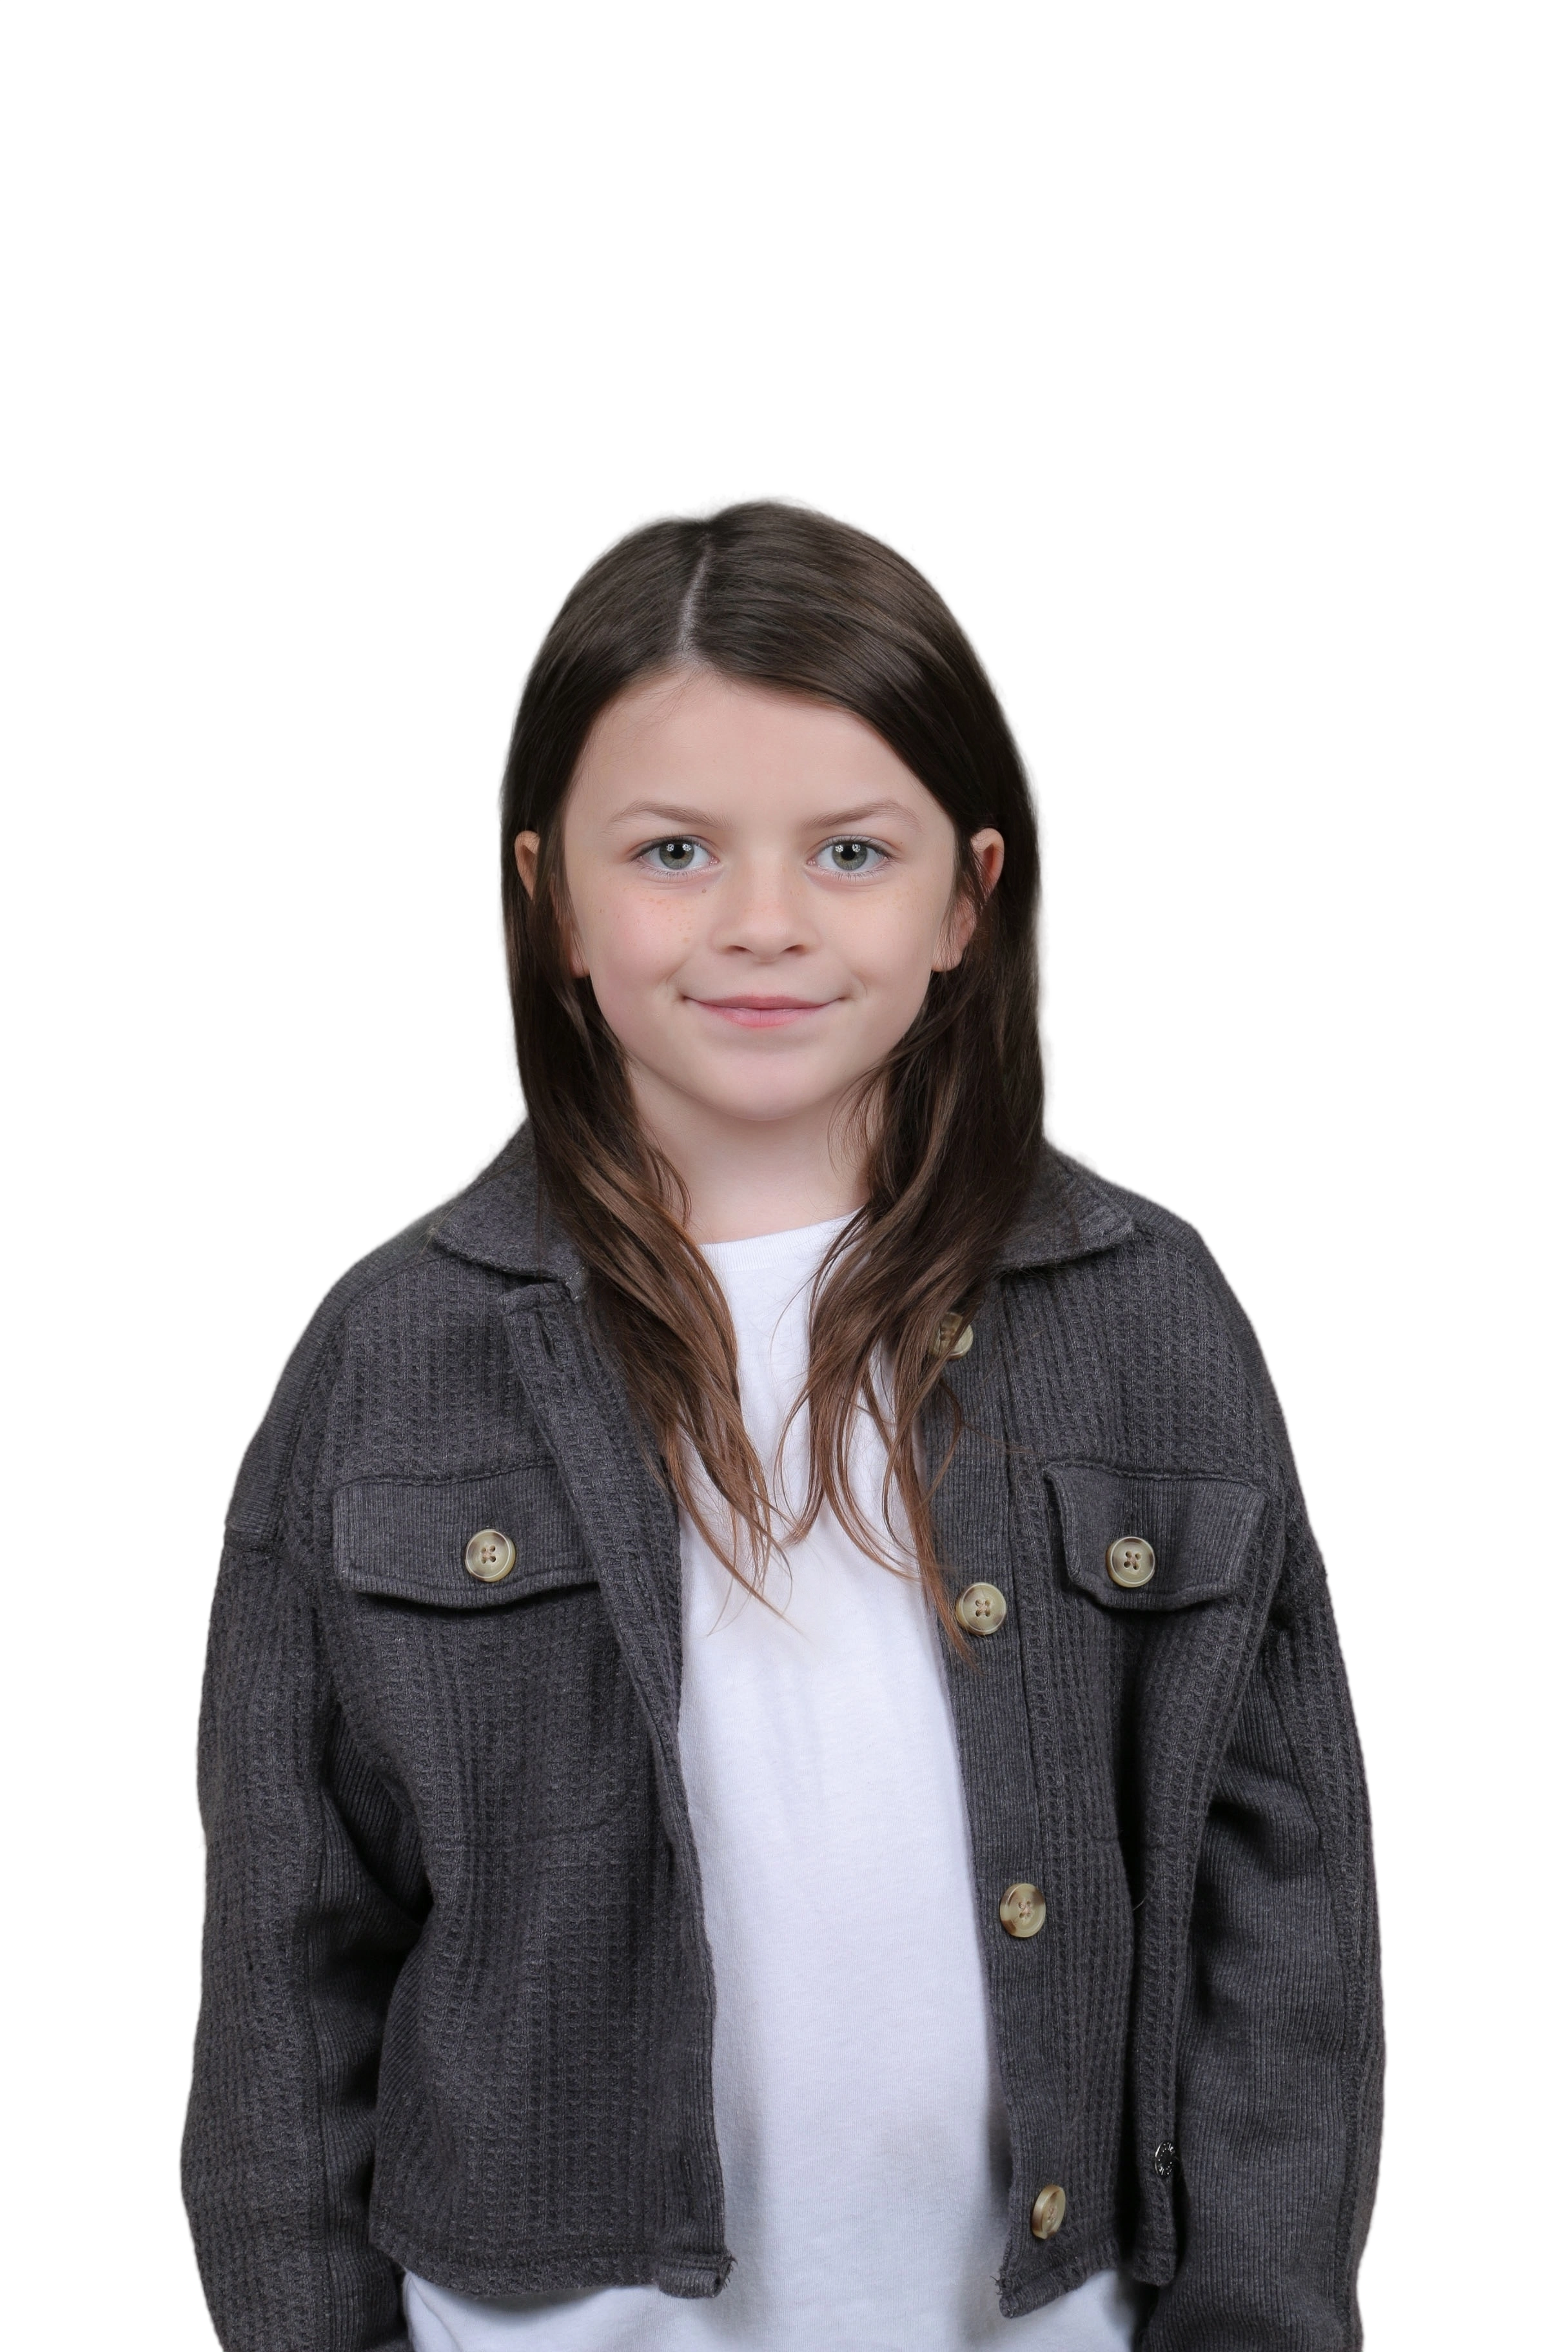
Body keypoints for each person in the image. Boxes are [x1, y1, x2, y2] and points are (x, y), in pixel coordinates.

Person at [175, 487, 1387, 2351]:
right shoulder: (389, 1354)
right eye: (672, 850)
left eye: (849, 852)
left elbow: (1286, 1908)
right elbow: (288, 1951)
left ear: (968, 898)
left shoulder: (1151, 1315)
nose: (761, 924)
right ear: (548, 900)